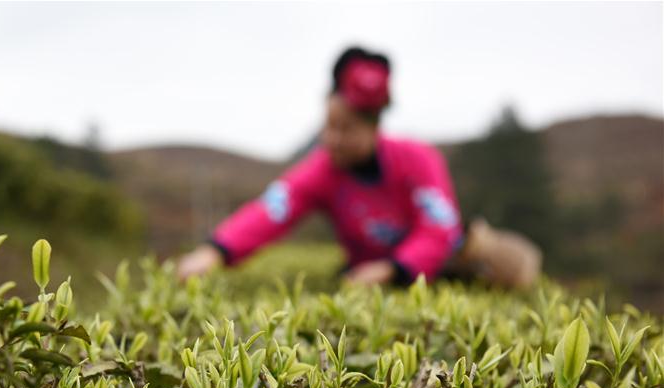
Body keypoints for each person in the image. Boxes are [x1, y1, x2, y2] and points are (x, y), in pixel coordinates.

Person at [177, 46, 542, 289]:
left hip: (436, 267)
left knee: (515, 266)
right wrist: (215, 251)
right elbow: (273, 209)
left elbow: (439, 228)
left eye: (347, 129)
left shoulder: (418, 159)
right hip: (367, 274)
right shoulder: (323, 170)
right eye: (329, 126)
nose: (333, 139)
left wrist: (391, 269)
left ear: (374, 127)